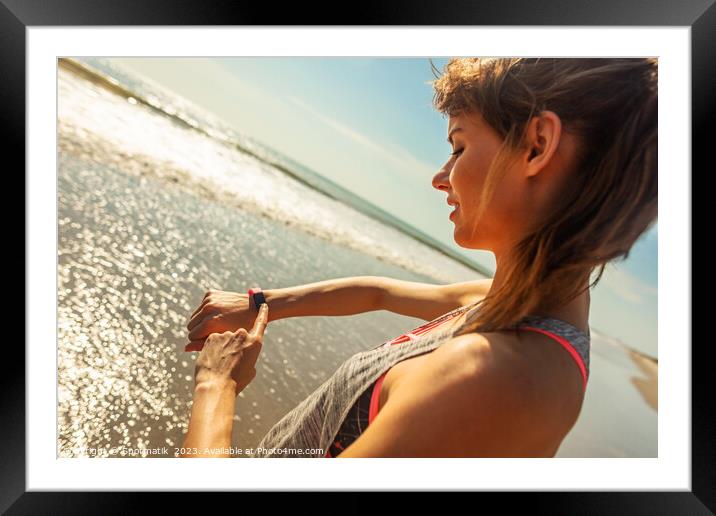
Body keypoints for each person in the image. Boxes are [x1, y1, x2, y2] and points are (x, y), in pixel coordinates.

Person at [180, 57, 657, 458]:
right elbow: (378, 292)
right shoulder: (504, 305)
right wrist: (264, 302)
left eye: (459, 146)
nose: (440, 177)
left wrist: (216, 385)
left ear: (536, 147)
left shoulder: (490, 379)